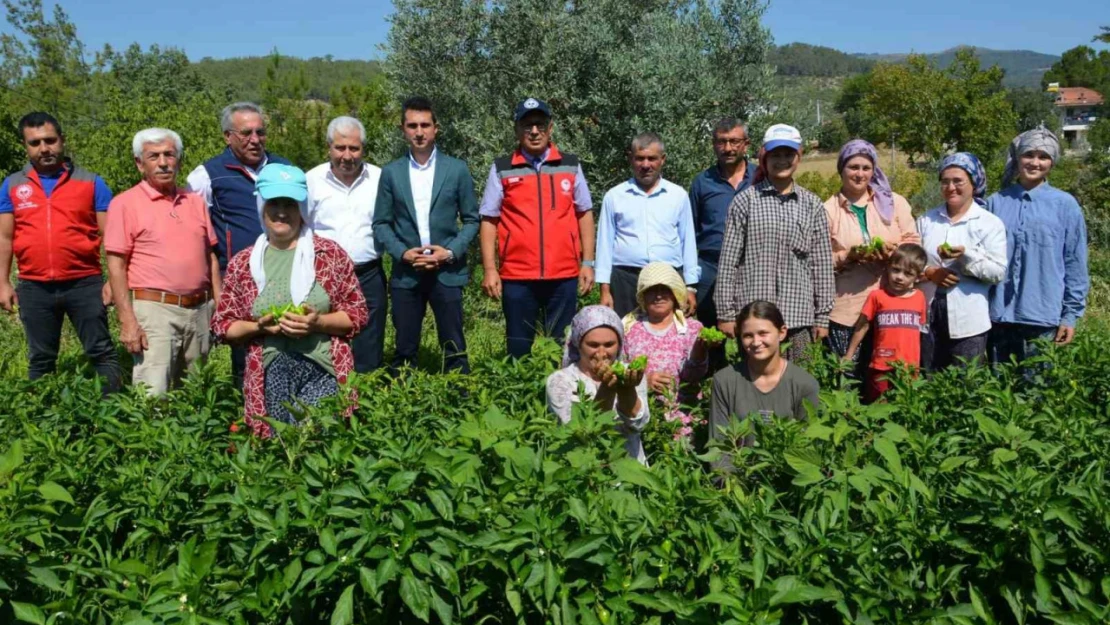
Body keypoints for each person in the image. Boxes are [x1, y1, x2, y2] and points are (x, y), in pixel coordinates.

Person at [210, 164, 368, 437]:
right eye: (274, 203)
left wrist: (317, 323)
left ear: (301, 208)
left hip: (323, 366)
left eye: (290, 204)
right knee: (280, 447)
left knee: (317, 439)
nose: (282, 212)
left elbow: (356, 315)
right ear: (261, 206)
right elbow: (224, 325)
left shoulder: (329, 255)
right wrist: (259, 327)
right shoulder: (244, 263)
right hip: (269, 371)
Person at [0, 112, 121, 393]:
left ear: (62, 141)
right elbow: (5, 238)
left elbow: (112, 237)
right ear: (25, 146)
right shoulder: (12, 186)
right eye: (35, 143)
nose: (44, 148)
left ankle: (114, 414)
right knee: (40, 359)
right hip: (34, 286)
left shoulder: (91, 182)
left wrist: (113, 282)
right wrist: (3, 282)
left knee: (101, 352)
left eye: (50, 140)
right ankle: (44, 419)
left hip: (85, 283)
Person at [105, 128, 222, 395]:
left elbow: (210, 256)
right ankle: (148, 437)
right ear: (139, 164)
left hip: (200, 309)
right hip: (155, 309)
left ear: (179, 160)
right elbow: (116, 265)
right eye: (153, 156)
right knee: (152, 391)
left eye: (169, 154)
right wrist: (127, 321)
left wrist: (221, 303)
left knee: (197, 391)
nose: (163, 162)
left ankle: (197, 438)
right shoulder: (125, 204)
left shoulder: (194, 202)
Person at [479, 97, 596, 357]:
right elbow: (489, 220)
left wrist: (588, 263)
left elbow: (584, 213)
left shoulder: (570, 165)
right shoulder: (502, 168)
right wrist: (490, 269)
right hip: (517, 276)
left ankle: (561, 396)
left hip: (563, 275)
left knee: (562, 348)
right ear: (517, 129)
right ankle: (520, 396)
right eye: (527, 125)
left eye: (540, 125)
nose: (534, 131)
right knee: (518, 348)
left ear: (550, 127)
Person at [187, 102, 292, 387]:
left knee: (286, 342)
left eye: (261, 132)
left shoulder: (285, 168)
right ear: (227, 136)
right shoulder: (207, 174)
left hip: (286, 272)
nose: (255, 140)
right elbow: (192, 228)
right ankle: (246, 411)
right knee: (246, 350)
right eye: (246, 133)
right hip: (240, 278)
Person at [373, 97, 479, 374]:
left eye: (424, 125)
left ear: (436, 128)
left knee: (455, 346)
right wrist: (403, 253)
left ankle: (461, 401)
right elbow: (381, 223)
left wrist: (450, 252)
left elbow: (471, 220)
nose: (419, 132)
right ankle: (402, 406)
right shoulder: (391, 173)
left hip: (447, 271)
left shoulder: (456, 170)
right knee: (405, 347)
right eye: (412, 126)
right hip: (407, 273)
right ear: (403, 129)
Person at [714, 124, 835, 361]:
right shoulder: (745, 202)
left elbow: (821, 265)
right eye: (775, 155)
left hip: (798, 316)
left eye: (788, 154)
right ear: (764, 157)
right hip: (754, 317)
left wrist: (822, 316)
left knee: (797, 385)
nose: (782, 161)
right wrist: (726, 313)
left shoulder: (812, 205)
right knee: (754, 383)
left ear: (798, 157)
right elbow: (729, 262)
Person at [987, 126, 1089, 365]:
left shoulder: (1065, 205)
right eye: (1029, 155)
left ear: (1052, 162)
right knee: (998, 391)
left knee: (1039, 392)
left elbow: (1075, 263)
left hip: (1043, 318)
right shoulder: (996, 203)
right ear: (1017, 158)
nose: (1035, 162)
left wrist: (1070, 316)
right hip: (998, 317)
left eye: (1043, 157)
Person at [823, 139, 919, 370]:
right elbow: (818, 261)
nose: (860, 174)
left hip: (891, 304)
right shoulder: (827, 210)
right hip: (847, 310)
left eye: (866, 168)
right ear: (841, 170)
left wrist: (894, 253)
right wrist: (848, 257)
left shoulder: (894, 203)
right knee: (848, 374)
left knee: (887, 371)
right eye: (853, 167)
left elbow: (913, 242)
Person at [306, 116, 385, 373]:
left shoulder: (379, 179)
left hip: (369, 273)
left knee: (369, 341)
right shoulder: (311, 181)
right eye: (340, 148)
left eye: (354, 148)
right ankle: (328, 399)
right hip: (324, 276)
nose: (347, 155)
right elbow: (302, 228)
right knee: (325, 340)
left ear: (363, 149)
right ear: (329, 147)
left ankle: (365, 396)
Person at [917, 153, 1007, 371]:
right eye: (945, 181)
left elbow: (997, 272)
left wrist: (965, 256)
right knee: (929, 378)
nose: (951, 187)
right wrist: (930, 272)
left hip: (969, 319)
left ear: (974, 184)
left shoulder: (989, 223)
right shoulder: (927, 220)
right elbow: (912, 262)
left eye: (958, 181)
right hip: (928, 316)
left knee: (966, 382)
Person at [596, 132, 699, 317]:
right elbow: (604, 245)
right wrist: (604, 289)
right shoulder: (614, 196)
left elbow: (688, 243)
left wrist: (690, 287)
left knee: (669, 338)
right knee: (626, 336)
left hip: (668, 280)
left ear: (663, 159)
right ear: (630, 159)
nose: (645, 165)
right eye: (639, 159)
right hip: (626, 280)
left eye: (652, 158)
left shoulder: (678, 195)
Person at [709, 300, 819, 471]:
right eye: (748, 335)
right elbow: (718, 445)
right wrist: (729, 489)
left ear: (782, 332)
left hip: (788, 478)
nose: (755, 342)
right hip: (738, 481)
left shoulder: (804, 384)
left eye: (763, 333)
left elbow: (809, 445)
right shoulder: (724, 380)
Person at [689, 118, 757, 371]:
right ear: (713, 144)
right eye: (721, 141)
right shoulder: (702, 182)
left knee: (752, 329)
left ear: (746, 144)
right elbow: (691, 230)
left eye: (734, 141)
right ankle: (712, 388)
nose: (728, 148)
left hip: (751, 265)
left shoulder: (761, 178)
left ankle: (752, 386)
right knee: (711, 333)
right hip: (710, 266)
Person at [545, 305, 650, 463]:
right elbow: (583, 434)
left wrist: (626, 389)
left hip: (631, 468)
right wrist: (607, 389)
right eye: (593, 345)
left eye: (609, 345)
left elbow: (638, 424)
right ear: (578, 344)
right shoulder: (560, 381)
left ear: (619, 344)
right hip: (588, 470)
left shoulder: (631, 374)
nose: (601, 353)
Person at [621, 262, 712, 440]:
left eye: (665, 290)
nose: (658, 296)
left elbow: (695, 375)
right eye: (652, 290)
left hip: (683, 416)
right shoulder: (629, 329)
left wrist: (700, 350)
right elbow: (620, 370)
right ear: (643, 296)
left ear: (674, 294)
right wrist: (643, 382)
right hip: (641, 416)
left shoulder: (692, 328)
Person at [843, 244, 928, 402]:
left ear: (918, 277)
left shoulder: (920, 298)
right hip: (881, 364)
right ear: (888, 268)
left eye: (908, 273)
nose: (899, 277)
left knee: (905, 405)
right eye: (896, 270)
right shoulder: (877, 296)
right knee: (879, 405)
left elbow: (919, 333)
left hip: (908, 367)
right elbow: (862, 325)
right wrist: (849, 354)